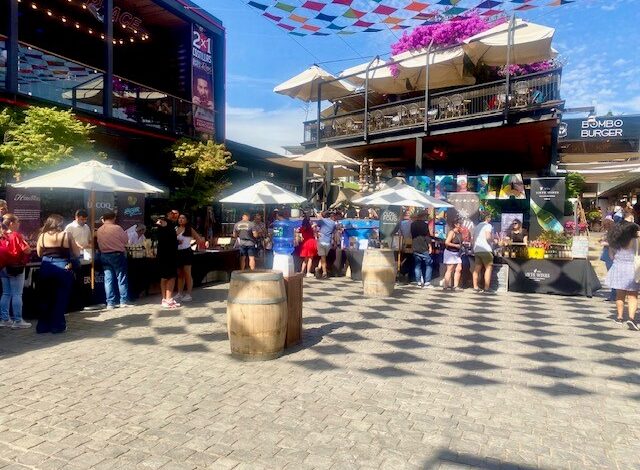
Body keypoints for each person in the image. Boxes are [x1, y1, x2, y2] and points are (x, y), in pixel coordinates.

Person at [36, 214, 80, 334]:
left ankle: (42, 326)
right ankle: (57, 325)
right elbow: (76, 253)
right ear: (61, 223)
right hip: (62, 266)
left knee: (45, 297)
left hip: (46, 267)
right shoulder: (66, 235)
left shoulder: (42, 236)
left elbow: (39, 253)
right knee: (61, 298)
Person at [605, 220, 640, 330]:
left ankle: (619, 317)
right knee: (633, 295)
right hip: (633, 269)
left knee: (620, 295)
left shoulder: (614, 241)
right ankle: (631, 318)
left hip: (618, 268)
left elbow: (611, 256)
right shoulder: (636, 240)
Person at [0, 214, 32, 329]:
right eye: (18, 222)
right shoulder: (16, 235)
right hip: (16, 267)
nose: (19, 224)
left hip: (3, 267)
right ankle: (18, 320)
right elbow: (27, 250)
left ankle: (4, 319)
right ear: (12, 223)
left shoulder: (1, 235)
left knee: (6, 293)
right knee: (17, 294)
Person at [96, 212, 130, 310]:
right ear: (114, 218)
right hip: (117, 255)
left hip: (104, 255)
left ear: (104, 219)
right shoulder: (117, 228)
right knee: (121, 278)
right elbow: (126, 241)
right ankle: (123, 301)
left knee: (108, 280)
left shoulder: (99, 230)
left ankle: (110, 303)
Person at [175, 214, 205, 302]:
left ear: (187, 220)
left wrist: (191, 245)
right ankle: (179, 293)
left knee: (187, 273)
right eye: (179, 218)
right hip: (178, 252)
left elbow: (199, 239)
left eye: (183, 218)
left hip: (187, 252)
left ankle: (188, 294)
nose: (181, 219)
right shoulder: (175, 229)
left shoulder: (189, 229)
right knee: (180, 274)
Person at [156, 215, 180, 309]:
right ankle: (168, 298)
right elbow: (172, 241)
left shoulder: (162, 228)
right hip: (169, 255)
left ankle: (165, 299)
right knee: (170, 277)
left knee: (165, 277)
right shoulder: (168, 227)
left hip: (164, 254)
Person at [472, 211, 495, 293]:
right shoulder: (488, 225)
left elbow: (473, 239)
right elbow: (488, 237)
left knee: (476, 269)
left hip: (477, 250)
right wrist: (494, 240)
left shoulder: (477, 226)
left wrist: (474, 248)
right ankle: (486, 288)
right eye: (490, 217)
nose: (490, 218)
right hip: (486, 249)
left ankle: (475, 287)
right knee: (488, 268)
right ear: (487, 218)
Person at [411, 211, 433, 289]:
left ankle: (419, 282)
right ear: (423, 216)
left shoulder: (412, 224)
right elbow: (427, 237)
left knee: (417, 265)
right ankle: (427, 282)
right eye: (426, 216)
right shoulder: (425, 225)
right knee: (429, 264)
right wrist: (430, 246)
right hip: (424, 247)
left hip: (415, 246)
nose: (426, 217)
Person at [315, 211, 339, 279]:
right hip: (328, 242)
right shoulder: (333, 223)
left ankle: (324, 272)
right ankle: (318, 268)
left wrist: (317, 233)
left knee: (323, 258)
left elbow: (315, 226)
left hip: (321, 241)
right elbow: (334, 232)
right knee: (323, 257)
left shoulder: (322, 221)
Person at [443, 219, 464, 291]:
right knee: (450, 269)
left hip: (457, 253)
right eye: (459, 224)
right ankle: (445, 286)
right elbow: (447, 242)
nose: (461, 225)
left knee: (459, 269)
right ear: (455, 225)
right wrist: (456, 245)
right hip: (450, 252)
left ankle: (455, 286)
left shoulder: (459, 232)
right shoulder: (452, 232)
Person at [600, 217, 616, 301]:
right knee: (612, 274)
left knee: (612, 275)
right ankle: (614, 294)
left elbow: (613, 243)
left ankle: (614, 295)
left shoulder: (612, 232)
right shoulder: (610, 232)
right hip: (609, 255)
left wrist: (605, 243)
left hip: (611, 255)